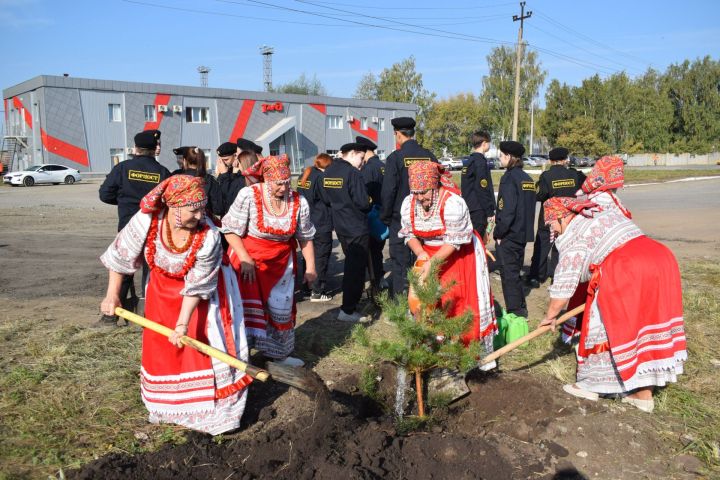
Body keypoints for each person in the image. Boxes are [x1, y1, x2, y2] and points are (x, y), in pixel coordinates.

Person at [99, 175, 251, 434]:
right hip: (161, 293)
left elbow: (197, 285)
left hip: (204, 296)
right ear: (173, 206)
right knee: (163, 348)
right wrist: (112, 295)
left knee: (200, 344)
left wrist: (182, 324)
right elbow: (121, 255)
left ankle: (211, 412)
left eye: (203, 208)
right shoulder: (147, 221)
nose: (200, 215)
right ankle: (167, 407)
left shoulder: (209, 235)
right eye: (193, 209)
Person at [539, 195, 686, 413]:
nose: (552, 230)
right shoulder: (599, 213)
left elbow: (562, 288)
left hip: (629, 268)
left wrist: (549, 317)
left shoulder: (573, 235)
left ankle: (591, 386)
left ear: (561, 217)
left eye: (551, 224)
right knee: (642, 327)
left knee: (606, 325)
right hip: (660, 259)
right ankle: (642, 394)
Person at [399, 160, 497, 369]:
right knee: (428, 304)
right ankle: (435, 354)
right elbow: (408, 235)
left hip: (459, 253)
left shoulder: (452, 203)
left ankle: (468, 357)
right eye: (415, 192)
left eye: (423, 192)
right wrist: (422, 254)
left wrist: (432, 262)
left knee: (459, 302)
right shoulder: (409, 203)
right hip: (429, 253)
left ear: (434, 185)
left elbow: (454, 241)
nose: (419, 198)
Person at [222, 155, 316, 367]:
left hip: (281, 263)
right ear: (266, 180)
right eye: (278, 184)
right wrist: (245, 258)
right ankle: (240, 356)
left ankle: (279, 355)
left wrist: (311, 267)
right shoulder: (249, 195)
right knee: (243, 310)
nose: (283, 188)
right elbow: (229, 230)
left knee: (279, 308)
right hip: (247, 262)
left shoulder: (299, 201)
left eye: (286, 183)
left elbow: (305, 237)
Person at [99, 129, 171, 321]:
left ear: (136, 148)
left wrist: (124, 201)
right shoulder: (163, 172)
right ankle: (150, 316)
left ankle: (109, 318)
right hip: (153, 229)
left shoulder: (123, 168)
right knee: (151, 273)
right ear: (155, 148)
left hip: (127, 227)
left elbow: (104, 194)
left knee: (121, 268)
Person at [380, 117, 437, 297]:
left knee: (401, 263)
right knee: (426, 259)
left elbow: (388, 192)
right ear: (413, 133)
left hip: (401, 220)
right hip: (427, 218)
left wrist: (387, 218)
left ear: (397, 134)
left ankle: (403, 302)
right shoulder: (429, 156)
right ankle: (425, 297)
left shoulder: (395, 158)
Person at [320, 142, 372, 322]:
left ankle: (351, 304)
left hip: (340, 226)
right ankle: (348, 310)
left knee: (350, 265)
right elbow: (363, 203)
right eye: (360, 158)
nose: (362, 162)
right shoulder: (352, 173)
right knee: (355, 270)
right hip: (356, 226)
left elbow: (326, 199)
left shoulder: (328, 171)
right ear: (352, 154)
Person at [527, 147, 586, 288]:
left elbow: (539, 195)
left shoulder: (546, 176)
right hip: (568, 217)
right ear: (565, 159)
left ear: (550, 160)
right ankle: (556, 275)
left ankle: (536, 277)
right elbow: (585, 186)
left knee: (542, 245)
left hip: (549, 217)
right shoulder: (574, 174)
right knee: (561, 246)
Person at [493, 141, 536, 319]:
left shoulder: (508, 178)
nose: (500, 158)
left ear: (510, 157)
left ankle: (515, 313)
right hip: (522, 233)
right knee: (515, 273)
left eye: (502, 155)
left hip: (509, 235)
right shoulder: (527, 178)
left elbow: (507, 210)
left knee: (509, 275)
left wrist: (498, 233)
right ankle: (520, 306)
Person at [296, 153, 334, 302]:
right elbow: (327, 198)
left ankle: (307, 287)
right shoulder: (320, 178)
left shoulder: (303, 175)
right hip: (321, 222)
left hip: (306, 221)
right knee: (321, 256)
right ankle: (318, 291)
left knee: (308, 256)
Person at [357, 136, 387, 291]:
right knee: (378, 249)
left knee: (372, 250)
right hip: (383, 213)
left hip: (372, 213)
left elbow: (364, 194)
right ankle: (380, 277)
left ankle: (375, 280)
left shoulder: (368, 169)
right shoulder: (382, 165)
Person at [460, 130, 496, 242]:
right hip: (479, 209)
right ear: (484, 143)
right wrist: (490, 211)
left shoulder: (469, 161)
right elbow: (483, 188)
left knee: (472, 240)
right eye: (489, 143)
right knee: (478, 241)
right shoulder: (480, 162)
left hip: (469, 206)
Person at [175, 147, 224, 217]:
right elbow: (218, 209)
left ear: (185, 161)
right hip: (202, 220)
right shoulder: (210, 180)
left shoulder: (176, 178)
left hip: (180, 219)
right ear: (203, 161)